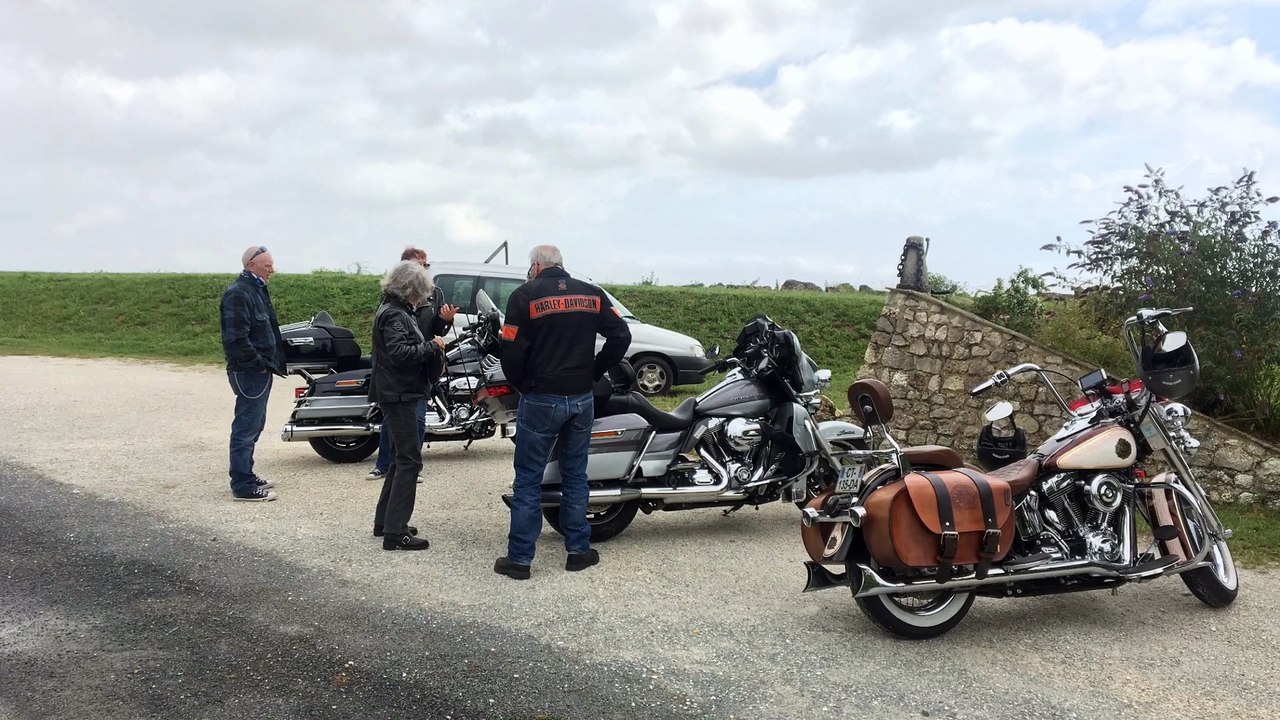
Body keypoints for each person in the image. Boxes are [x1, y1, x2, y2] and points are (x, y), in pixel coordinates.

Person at [494, 245, 631, 579]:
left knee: (528, 479)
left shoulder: (524, 296)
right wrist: (595, 370)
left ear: (537, 266)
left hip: (541, 397)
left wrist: (522, 383)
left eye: (530, 267)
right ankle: (578, 551)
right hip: (581, 397)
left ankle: (521, 560)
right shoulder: (591, 293)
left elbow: (509, 348)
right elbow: (621, 335)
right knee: (574, 475)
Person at [370, 260, 445, 551]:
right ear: (412, 289)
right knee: (410, 460)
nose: (424, 296)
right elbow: (400, 352)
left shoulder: (394, 311)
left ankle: (385, 522)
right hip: (400, 393)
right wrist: (433, 346)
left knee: (401, 458)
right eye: (421, 290)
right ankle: (395, 531)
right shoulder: (396, 315)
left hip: (398, 391)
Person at [365, 247, 457, 482]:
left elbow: (436, 329)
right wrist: (432, 346)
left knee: (414, 420)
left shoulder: (433, 294)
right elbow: (396, 348)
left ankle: (406, 466)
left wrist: (445, 322)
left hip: (420, 368)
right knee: (397, 421)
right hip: (403, 373)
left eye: (426, 265)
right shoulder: (393, 302)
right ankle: (392, 465)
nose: (425, 269)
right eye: (421, 265)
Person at [220, 245, 287, 502]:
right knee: (246, 427)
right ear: (251, 265)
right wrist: (258, 363)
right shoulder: (238, 294)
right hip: (249, 372)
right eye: (267, 265)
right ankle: (242, 485)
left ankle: (246, 474)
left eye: (272, 264)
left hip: (260, 370)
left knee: (254, 425)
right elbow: (236, 338)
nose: (272, 269)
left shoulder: (256, 290)